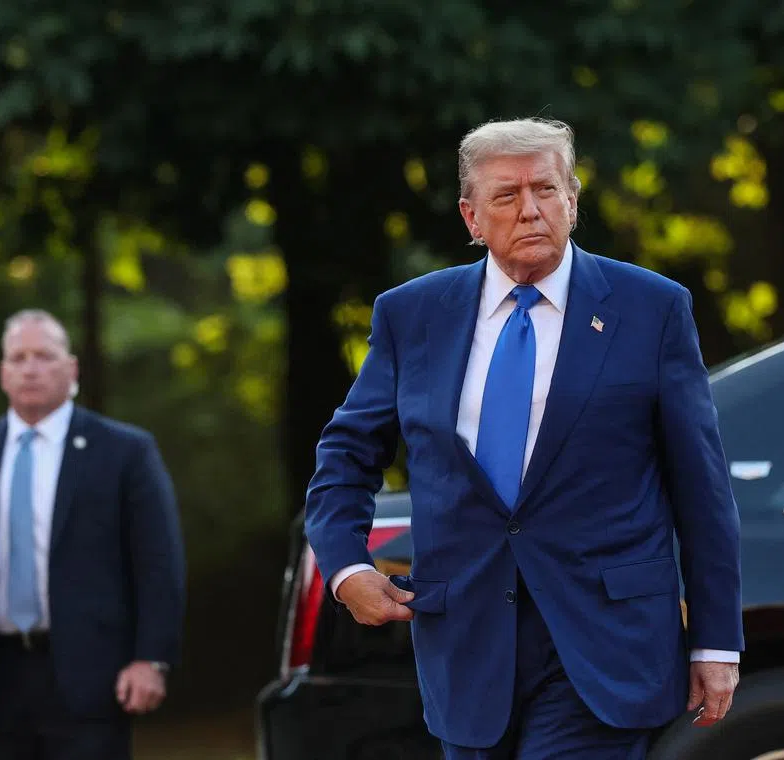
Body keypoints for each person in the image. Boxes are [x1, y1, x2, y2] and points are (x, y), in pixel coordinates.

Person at [303, 117, 743, 759]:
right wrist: (346, 568)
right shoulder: (412, 315)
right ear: (471, 218)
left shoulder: (650, 309)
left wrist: (714, 641)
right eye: (506, 196)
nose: (530, 209)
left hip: (604, 641)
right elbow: (346, 455)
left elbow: (702, 487)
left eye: (545, 189)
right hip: (468, 640)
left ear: (572, 198)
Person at [0, 308, 186, 760]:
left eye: (44, 356)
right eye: (18, 357)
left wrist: (151, 658)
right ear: (2, 372)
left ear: (71, 369)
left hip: (92, 675)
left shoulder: (124, 451)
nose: (30, 368)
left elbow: (158, 563)